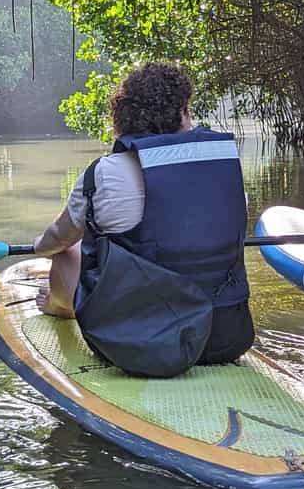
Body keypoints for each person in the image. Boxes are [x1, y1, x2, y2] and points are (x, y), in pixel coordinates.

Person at [30, 62, 255, 377]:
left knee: (66, 253)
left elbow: (59, 236)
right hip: (227, 337)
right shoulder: (225, 167)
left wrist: (39, 247)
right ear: (181, 113)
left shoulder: (104, 173)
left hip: (134, 344)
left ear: (125, 117)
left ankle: (55, 306)